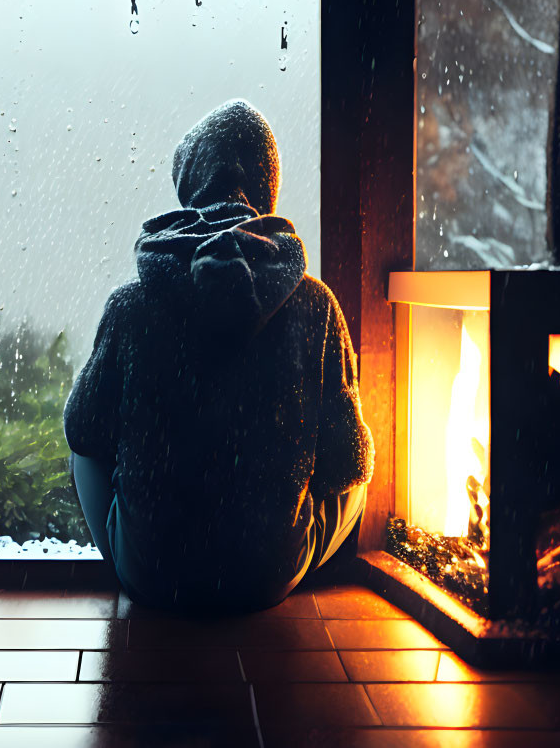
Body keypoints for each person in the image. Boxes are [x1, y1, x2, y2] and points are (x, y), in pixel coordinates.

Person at [64, 99, 373, 611]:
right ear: (266, 186)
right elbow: (346, 463)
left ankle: (138, 555)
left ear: (189, 186)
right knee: (360, 458)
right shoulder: (316, 305)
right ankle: (277, 552)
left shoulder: (131, 303)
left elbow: (83, 431)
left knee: (83, 441)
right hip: (269, 578)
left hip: (154, 577)